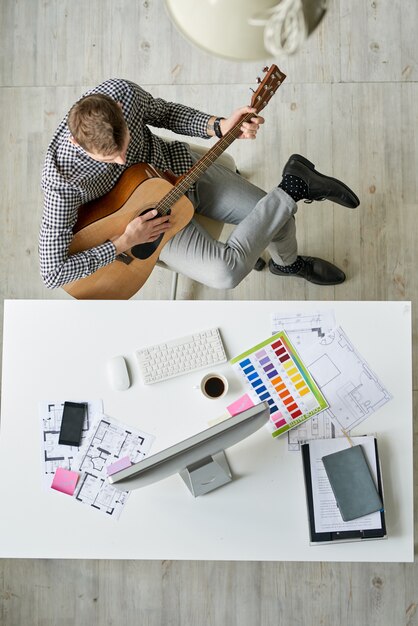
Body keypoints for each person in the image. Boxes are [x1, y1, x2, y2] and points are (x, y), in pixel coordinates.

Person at [40, 78, 359, 292]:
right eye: (109, 159)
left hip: (178, 169)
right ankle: (294, 185)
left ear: (122, 112)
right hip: (151, 227)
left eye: (123, 147)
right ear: (76, 144)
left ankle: (286, 264)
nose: (122, 161)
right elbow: (52, 273)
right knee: (227, 273)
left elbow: (165, 113)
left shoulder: (122, 94)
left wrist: (218, 125)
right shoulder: (61, 181)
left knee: (282, 217)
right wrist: (124, 242)